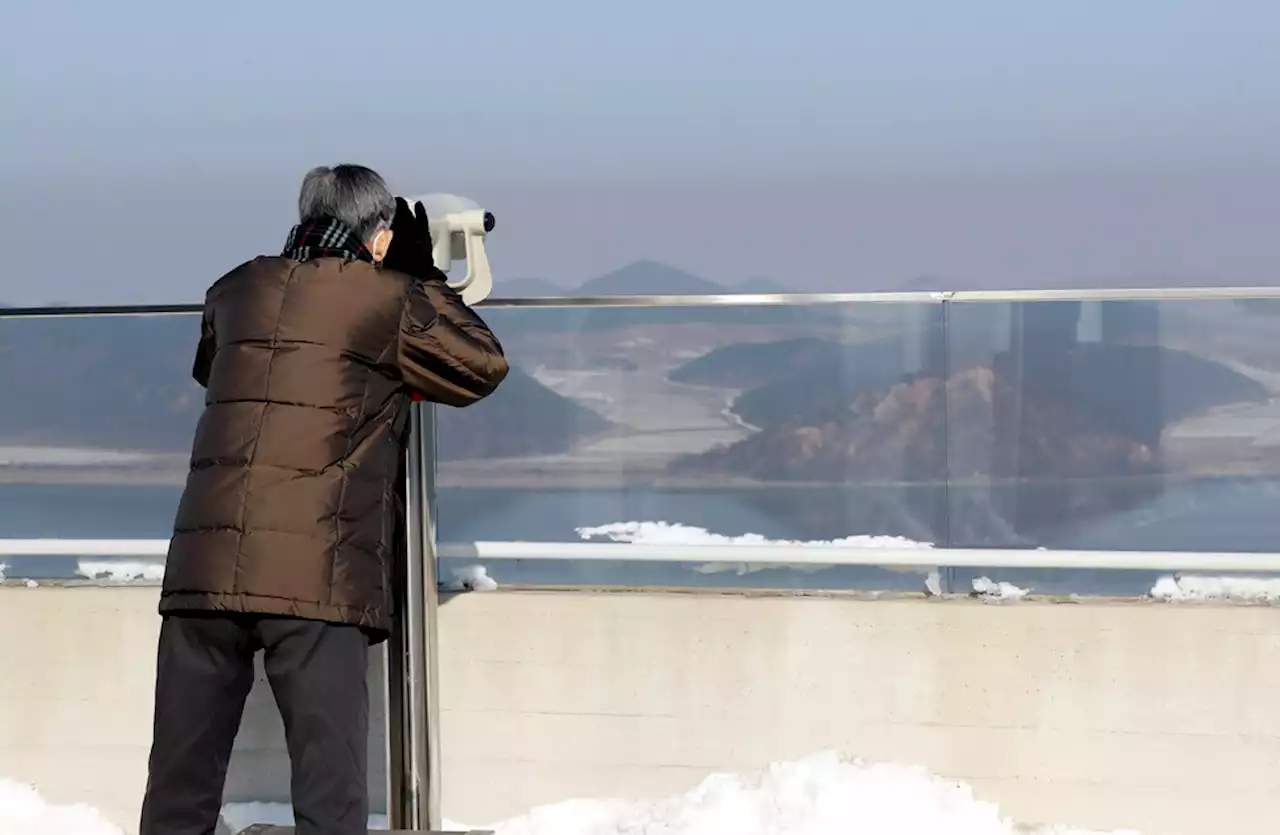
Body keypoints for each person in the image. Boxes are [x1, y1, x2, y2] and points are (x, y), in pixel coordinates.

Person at [139, 164, 509, 835]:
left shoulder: (234, 288)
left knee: (180, 784)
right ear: (378, 237)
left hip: (203, 570)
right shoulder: (388, 298)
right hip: (316, 575)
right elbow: (482, 365)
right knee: (329, 789)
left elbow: (216, 369)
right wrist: (421, 276)